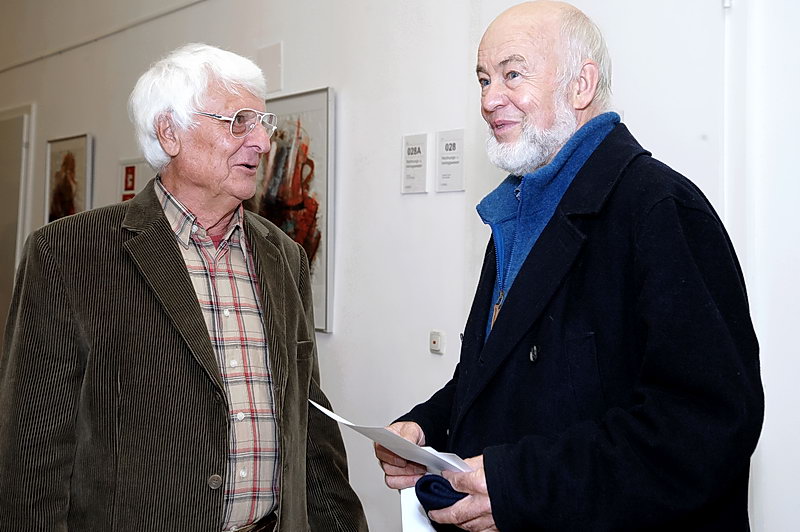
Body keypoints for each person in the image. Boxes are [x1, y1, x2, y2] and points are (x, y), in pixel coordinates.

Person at [375, 2, 763, 531]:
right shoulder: (518, 211)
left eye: (513, 74)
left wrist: (520, 487)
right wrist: (427, 427)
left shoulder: (660, 209)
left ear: (581, 85)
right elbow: (500, 375)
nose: (489, 100)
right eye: (484, 79)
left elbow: (703, 428)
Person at [0, 43, 367, 532]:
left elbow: (309, 423)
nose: (262, 142)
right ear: (169, 132)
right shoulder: (67, 253)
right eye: (238, 121)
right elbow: (33, 446)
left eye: (263, 122)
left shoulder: (284, 257)